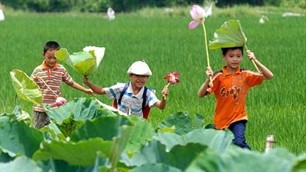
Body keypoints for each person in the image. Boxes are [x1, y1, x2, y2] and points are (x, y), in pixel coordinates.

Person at [197, 47, 273, 149]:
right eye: (231, 56)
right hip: (221, 120)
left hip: (239, 118)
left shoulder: (245, 75)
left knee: (239, 142)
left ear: (242, 57)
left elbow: (269, 76)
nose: (235, 59)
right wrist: (207, 79)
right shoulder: (219, 76)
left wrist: (254, 60)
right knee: (222, 148)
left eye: (238, 56)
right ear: (224, 57)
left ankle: (253, 160)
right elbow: (200, 94)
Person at [31, 41, 93, 129]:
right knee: (40, 131)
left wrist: (85, 90)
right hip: (40, 109)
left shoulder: (61, 69)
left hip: (56, 108)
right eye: (49, 58)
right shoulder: (38, 71)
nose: (52, 60)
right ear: (43, 54)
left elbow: (71, 82)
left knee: (57, 130)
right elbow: (29, 86)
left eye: (55, 58)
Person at [83, 60, 169, 119]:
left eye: (144, 76)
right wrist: (89, 84)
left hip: (137, 127)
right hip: (119, 124)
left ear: (147, 78)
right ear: (130, 76)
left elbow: (161, 106)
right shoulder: (121, 88)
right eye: (137, 76)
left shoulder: (148, 94)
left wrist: (164, 97)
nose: (140, 79)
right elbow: (101, 91)